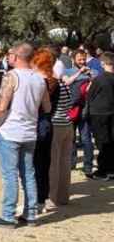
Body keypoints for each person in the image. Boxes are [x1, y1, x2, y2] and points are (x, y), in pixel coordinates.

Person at [0, 43, 49, 228]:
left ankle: (8, 215)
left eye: (10, 54)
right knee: (28, 174)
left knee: (10, 174)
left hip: (10, 130)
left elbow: (2, 106)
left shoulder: (12, 76)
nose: (8, 57)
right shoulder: (40, 78)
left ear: (16, 56)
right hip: (29, 131)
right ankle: (31, 213)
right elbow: (47, 107)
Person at [31, 49, 58, 206]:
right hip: (48, 123)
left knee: (35, 163)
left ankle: (36, 199)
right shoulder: (55, 81)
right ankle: (42, 197)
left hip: (38, 122)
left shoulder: (40, 82)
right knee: (44, 162)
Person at [47, 61, 75, 211]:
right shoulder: (65, 85)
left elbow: (47, 107)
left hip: (56, 125)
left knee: (54, 163)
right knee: (64, 162)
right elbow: (70, 104)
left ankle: (52, 197)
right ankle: (63, 196)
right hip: (67, 124)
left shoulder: (53, 86)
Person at [86, 53, 114, 179]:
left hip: (99, 113)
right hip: (111, 112)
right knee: (111, 141)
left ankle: (103, 170)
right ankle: (111, 169)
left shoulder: (99, 79)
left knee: (102, 142)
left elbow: (90, 95)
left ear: (103, 63)